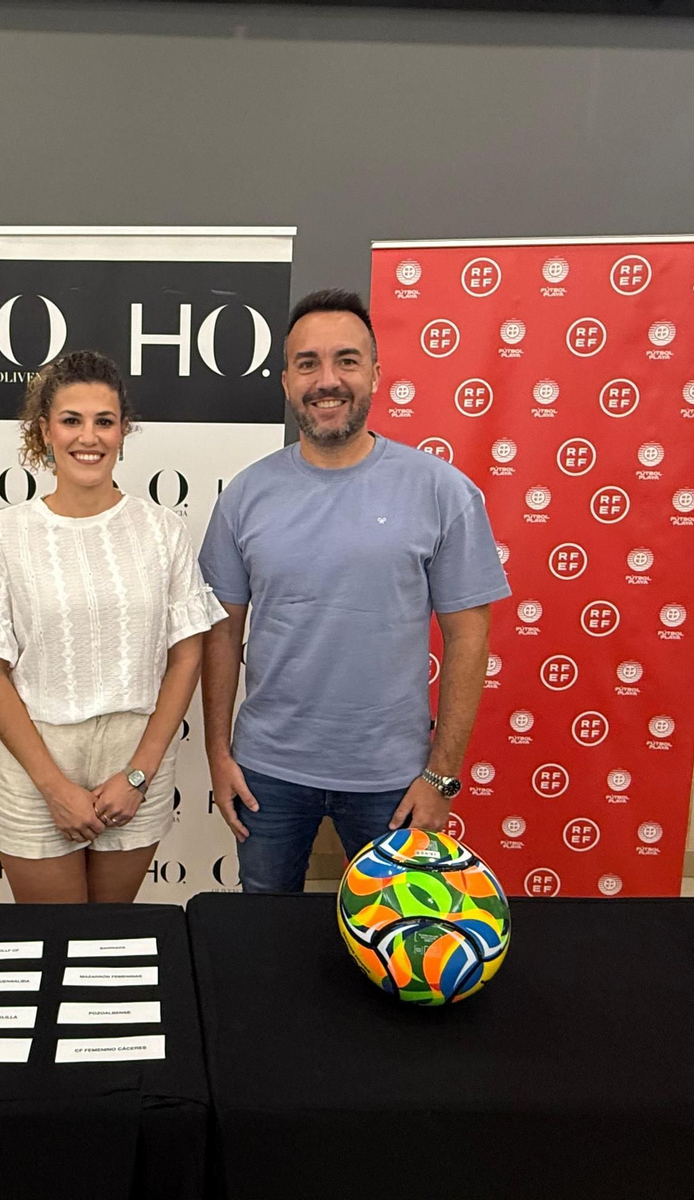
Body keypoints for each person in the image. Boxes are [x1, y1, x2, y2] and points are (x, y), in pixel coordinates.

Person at [199, 288, 510, 893]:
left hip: (394, 778)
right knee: (265, 936)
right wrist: (217, 752)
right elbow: (222, 631)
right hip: (266, 772)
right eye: (308, 363)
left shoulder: (442, 492)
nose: (327, 380)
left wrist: (441, 776)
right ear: (286, 380)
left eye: (346, 360)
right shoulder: (244, 495)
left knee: (401, 946)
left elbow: (469, 637)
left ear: (375, 373)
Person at [0, 350, 224, 902]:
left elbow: (187, 656)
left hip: (134, 757)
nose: (87, 437)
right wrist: (53, 787)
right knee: (54, 940)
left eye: (104, 421)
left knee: (108, 940)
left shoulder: (163, 531)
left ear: (122, 431)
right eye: (71, 420)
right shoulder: (8, 532)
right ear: (44, 430)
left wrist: (137, 774)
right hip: (34, 762)